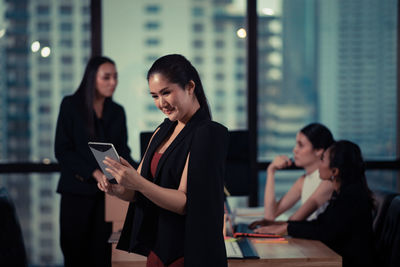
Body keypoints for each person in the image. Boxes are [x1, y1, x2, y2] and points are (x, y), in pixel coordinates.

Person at [98, 54, 229, 267]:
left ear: (190, 87)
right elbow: (138, 190)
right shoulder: (163, 129)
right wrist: (118, 189)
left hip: (187, 253)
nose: (161, 103)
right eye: (155, 96)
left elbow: (185, 202)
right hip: (159, 249)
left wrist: (137, 182)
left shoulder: (208, 133)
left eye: (166, 93)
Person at [54, 56, 137, 267]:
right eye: (106, 77)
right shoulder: (71, 105)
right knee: (75, 254)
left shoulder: (117, 112)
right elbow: (62, 150)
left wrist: (141, 170)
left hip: (105, 196)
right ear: (92, 78)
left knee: (101, 254)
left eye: (115, 77)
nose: (113, 82)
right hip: (76, 193)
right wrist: (94, 172)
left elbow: (122, 151)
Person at [253, 140, 375, 267]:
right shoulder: (343, 193)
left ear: (334, 172)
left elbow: (325, 231)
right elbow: (320, 223)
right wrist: (280, 225)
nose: (319, 165)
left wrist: (286, 228)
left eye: (322, 160)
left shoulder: (350, 198)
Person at [250, 123, 335, 231]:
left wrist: (272, 227)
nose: (295, 150)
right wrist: (271, 171)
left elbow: (293, 222)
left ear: (318, 150)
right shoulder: (304, 180)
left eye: (301, 145)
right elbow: (270, 215)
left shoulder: (328, 181)